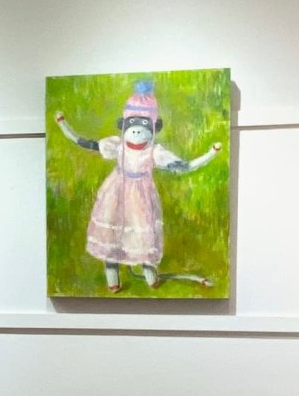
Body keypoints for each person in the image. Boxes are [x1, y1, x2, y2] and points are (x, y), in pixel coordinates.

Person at [53, 79, 223, 292]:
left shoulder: (154, 152)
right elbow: (84, 142)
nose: (136, 132)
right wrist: (64, 126)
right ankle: (112, 279)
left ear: (154, 128)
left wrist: (210, 154)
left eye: (143, 126)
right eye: (131, 125)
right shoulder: (117, 146)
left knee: (143, 235)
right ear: (123, 125)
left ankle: (150, 275)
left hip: (141, 198)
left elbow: (183, 166)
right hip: (115, 194)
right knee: (112, 232)